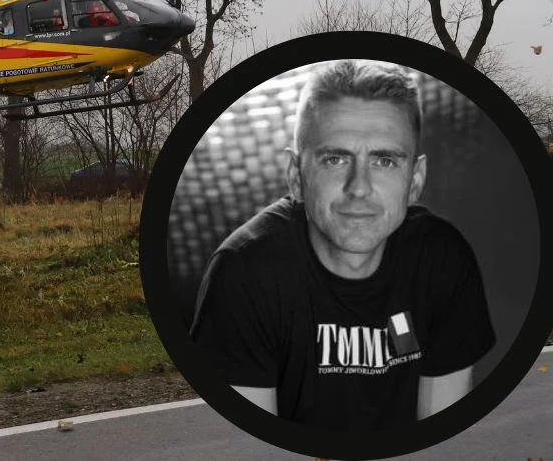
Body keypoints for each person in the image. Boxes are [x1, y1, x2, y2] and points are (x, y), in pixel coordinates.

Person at [189, 60, 495, 431]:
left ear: (415, 181)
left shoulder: (442, 259)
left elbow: (444, 431)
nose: (359, 187)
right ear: (296, 177)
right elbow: (245, 446)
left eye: (384, 160)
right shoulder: (244, 271)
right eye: (335, 159)